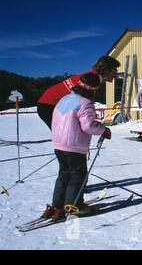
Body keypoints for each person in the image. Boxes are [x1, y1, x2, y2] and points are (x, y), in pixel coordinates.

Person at [41, 72, 111, 221]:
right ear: (93, 89)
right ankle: (75, 206)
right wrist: (104, 129)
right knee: (77, 176)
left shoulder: (65, 99)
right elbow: (88, 126)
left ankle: (57, 205)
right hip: (74, 145)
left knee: (64, 174)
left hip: (59, 144)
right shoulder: (86, 103)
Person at [37, 56, 121, 130]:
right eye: (114, 71)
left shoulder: (92, 77)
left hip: (49, 104)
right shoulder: (92, 80)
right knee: (65, 137)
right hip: (48, 105)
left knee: (68, 137)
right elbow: (81, 103)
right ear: (105, 70)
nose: (115, 75)